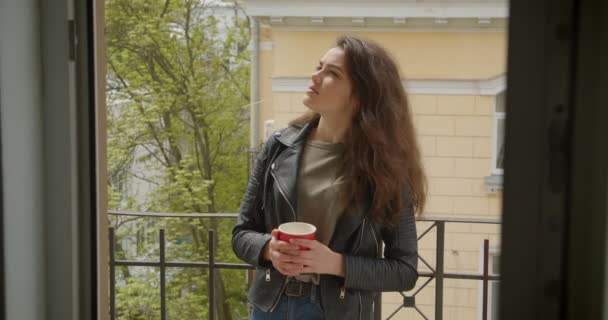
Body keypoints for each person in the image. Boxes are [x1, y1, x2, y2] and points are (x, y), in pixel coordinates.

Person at [232, 35, 426, 320]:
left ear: (360, 96)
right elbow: (241, 233)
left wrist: (336, 264)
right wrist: (268, 250)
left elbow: (404, 271)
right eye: (319, 66)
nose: (316, 75)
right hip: (269, 307)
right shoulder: (278, 147)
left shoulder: (385, 169)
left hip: (336, 312)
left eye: (332, 73)